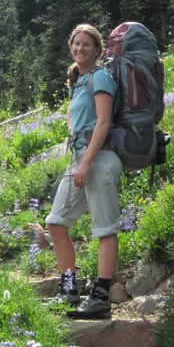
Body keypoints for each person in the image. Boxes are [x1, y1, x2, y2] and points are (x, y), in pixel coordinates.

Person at [45, 23, 122, 318]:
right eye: (76, 43)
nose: (80, 48)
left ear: (97, 49)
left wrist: (87, 161)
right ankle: (69, 290)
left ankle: (101, 298)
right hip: (80, 158)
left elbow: (103, 122)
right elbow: (74, 117)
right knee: (56, 222)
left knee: (104, 227)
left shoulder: (101, 76)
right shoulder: (78, 80)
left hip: (99, 159)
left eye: (86, 44)